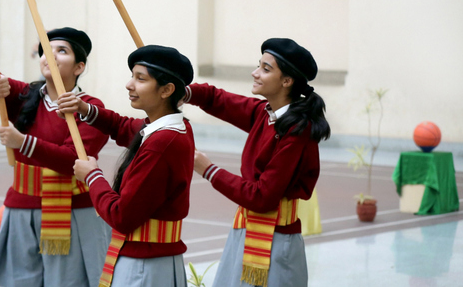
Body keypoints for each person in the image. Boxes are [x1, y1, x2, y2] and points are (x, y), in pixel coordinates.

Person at [0, 27, 111, 287]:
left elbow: (71, 160)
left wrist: (22, 142)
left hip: (73, 212)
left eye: (62, 51)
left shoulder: (91, 109)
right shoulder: (25, 96)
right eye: (46, 51)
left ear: (79, 67)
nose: (50, 57)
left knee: (68, 282)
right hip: (22, 208)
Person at [183, 38, 330, 287]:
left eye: (265, 68)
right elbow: (218, 99)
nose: (255, 73)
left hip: (277, 242)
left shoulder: (297, 131)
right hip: (244, 231)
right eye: (258, 65)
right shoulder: (266, 113)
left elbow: (262, 197)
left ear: (287, 81)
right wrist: (185, 92)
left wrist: (208, 170)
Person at [64, 45, 195, 287]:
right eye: (132, 76)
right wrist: (85, 108)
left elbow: (122, 216)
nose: (129, 84)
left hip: (145, 267)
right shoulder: (174, 127)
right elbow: (122, 126)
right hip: (152, 258)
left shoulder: (162, 142)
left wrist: (92, 176)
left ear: (167, 89)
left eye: (140, 78)